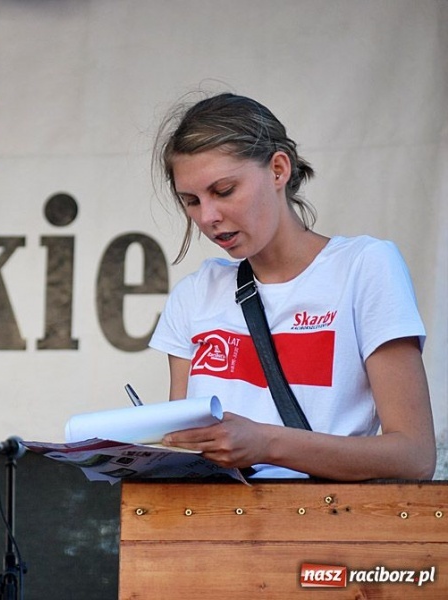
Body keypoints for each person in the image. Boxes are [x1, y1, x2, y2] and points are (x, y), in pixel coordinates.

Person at [148, 92, 435, 481]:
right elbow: (187, 450)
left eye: (224, 190)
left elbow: (413, 456)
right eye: (191, 201)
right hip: (213, 532)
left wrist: (267, 444)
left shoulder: (364, 266)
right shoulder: (195, 293)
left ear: (279, 169)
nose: (208, 217)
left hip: (325, 531)